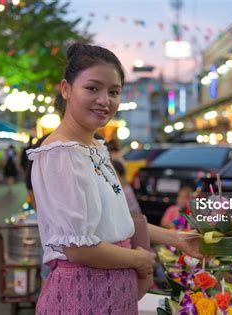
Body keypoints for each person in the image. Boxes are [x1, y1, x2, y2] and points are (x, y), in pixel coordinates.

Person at [27, 43, 203, 314]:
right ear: (66, 89)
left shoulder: (96, 147)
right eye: (92, 88)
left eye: (114, 92)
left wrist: (178, 239)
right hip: (82, 295)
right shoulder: (60, 154)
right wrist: (137, 259)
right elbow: (78, 248)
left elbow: (117, 222)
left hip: (113, 292)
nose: (104, 100)